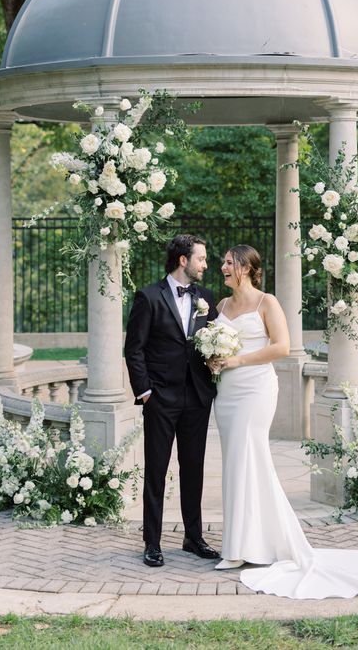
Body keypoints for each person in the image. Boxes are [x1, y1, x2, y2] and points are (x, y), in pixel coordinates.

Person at [210, 244, 358, 599]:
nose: (223, 267)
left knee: (254, 459)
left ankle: (253, 546)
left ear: (248, 268)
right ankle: (241, 545)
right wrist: (216, 359)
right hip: (228, 393)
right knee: (236, 463)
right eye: (223, 262)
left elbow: (282, 347)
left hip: (255, 388)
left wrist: (237, 361)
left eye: (229, 263)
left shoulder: (267, 302)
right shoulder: (221, 306)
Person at [124, 234, 221, 568]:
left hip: (197, 396)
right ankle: (152, 542)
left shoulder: (206, 298)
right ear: (183, 260)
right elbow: (134, 349)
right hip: (160, 398)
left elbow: (213, 343)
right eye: (201, 259)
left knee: (193, 468)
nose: (205, 265)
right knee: (156, 470)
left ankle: (193, 537)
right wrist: (146, 391)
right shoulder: (148, 297)